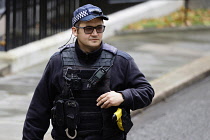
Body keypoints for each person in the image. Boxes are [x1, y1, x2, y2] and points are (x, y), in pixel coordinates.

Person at [22, 4, 154, 140]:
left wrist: (123, 96)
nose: (95, 33)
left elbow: (147, 92)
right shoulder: (57, 62)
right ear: (74, 31)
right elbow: (38, 111)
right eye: (88, 29)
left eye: (99, 28)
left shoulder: (121, 61)